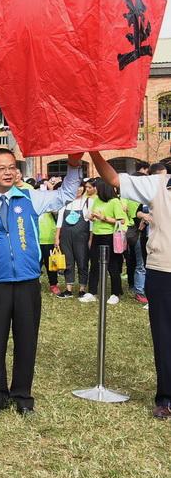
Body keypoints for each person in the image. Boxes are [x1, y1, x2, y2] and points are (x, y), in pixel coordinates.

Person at [0, 148, 82, 417]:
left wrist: (73, 165)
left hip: (27, 281)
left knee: (27, 339)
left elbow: (65, 194)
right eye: (1, 168)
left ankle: (22, 395)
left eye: (12, 167)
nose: (8, 172)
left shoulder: (29, 197)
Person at [90, 151, 171, 419]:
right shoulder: (157, 184)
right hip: (163, 270)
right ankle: (165, 398)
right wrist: (93, 148)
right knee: (163, 336)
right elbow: (113, 178)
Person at [84, 178, 127, 304]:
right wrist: (91, 216)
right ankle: (92, 292)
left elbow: (121, 220)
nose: (94, 189)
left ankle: (115, 293)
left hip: (109, 236)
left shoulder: (115, 202)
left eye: (96, 187)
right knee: (94, 265)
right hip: (97, 235)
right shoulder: (96, 199)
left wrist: (104, 218)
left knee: (112, 266)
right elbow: (92, 215)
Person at [55, 183, 91, 299]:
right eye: (76, 187)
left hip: (82, 237)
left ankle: (82, 289)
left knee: (82, 262)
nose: (79, 189)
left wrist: (90, 239)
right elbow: (59, 221)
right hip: (65, 236)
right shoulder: (65, 201)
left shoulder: (88, 201)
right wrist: (57, 238)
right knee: (68, 262)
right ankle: (68, 289)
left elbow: (91, 223)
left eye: (81, 186)